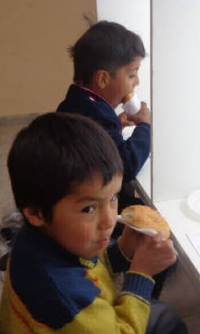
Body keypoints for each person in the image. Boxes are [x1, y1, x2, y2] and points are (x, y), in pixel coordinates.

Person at [0, 113, 200, 334]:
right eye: (89, 208)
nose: (108, 221)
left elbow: (90, 270)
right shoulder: (60, 292)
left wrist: (122, 250)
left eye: (113, 197)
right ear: (36, 213)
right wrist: (141, 274)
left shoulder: (51, 237)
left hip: (89, 333)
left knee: (166, 319)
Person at [56, 20, 150, 209]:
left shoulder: (77, 99)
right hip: (94, 206)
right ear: (103, 79)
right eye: (132, 74)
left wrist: (116, 122)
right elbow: (126, 167)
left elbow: (96, 135)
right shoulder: (98, 117)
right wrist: (145, 127)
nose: (137, 82)